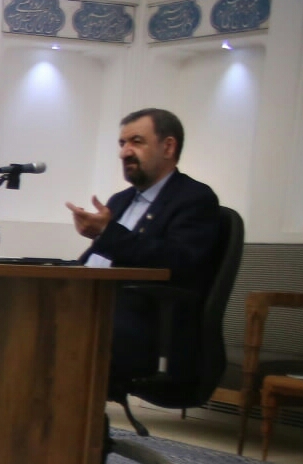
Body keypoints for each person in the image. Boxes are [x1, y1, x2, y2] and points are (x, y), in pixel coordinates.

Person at [65, 107, 228, 395]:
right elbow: (100, 260)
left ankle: (74, 420)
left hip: (144, 323)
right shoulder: (120, 200)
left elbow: (177, 262)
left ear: (168, 147)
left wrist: (107, 233)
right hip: (94, 307)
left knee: (54, 331)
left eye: (136, 142)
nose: (124, 153)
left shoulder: (194, 199)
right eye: (122, 143)